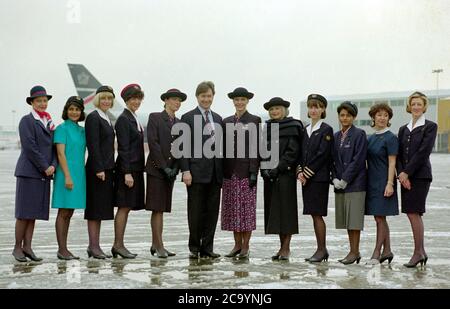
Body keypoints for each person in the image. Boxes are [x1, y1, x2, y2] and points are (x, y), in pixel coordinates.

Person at [180, 81, 223, 259]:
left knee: (212, 212)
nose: (206, 99)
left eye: (209, 96)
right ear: (197, 97)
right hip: (196, 173)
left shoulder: (219, 118)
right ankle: (194, 247)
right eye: (203, 96)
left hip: (215, 173)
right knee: (196, 212)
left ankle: (207, 247)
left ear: (213, 96)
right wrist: (185, 171)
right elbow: (182, 148)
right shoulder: (187, 117)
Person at [13, 85, 56, 262]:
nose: (42, 103)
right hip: (29, 172)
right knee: (24, 213)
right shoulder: (26, 121)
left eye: (45, 101)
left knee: (33, 213)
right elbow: (30, 147)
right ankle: (17, 247)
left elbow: (54, 147)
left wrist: (53, 165)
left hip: (43, 174)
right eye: (38, 101)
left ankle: (28, 247)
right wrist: (45, 166)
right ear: (32, 102)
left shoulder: (49, 122)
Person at [397, 91, 437, 268]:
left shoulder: (430, 126)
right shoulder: (403, 129)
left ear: (424, 106)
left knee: (414, 212)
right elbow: (398, 154)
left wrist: (407, 172)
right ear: (409, 106)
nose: (416, 107)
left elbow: (423, 152)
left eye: (419, 104)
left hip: (420, 176)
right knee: (411, 213)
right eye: (413, 104)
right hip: (404, 177)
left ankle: (418, 252)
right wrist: (401, 174)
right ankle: (420, 252)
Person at [260, 97, 303, 261]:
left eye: (277, 108)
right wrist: (264, 169)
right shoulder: (268, 127)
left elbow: (293, 152)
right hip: (270, 177)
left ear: (284, 110)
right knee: (275, 213)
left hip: (285, 175)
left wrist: (278, 168)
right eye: (271, 109)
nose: (274, 112)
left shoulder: (293, 126)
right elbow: (263, 149)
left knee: (287, 212)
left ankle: (286, 247)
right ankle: (281, 246)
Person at [146, 88, 186, 258]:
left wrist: (175, 167)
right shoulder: (155, 117)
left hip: (170, 172)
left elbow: (179, 147)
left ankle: (156, 245)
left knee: (162, 209)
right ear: (166, 101)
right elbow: (153, 144)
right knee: (157, 209)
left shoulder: (179, 122)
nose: (177, 103)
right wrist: (164, 167)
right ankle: (159, 245)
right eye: (174, 100)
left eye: (179, 101)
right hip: (157, 170)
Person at [222, 87, 261, 259]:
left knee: (246, 211)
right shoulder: (226, 121)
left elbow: (256, 147)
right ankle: (236, 245)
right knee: (232, 210)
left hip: (246, 172)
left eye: (242, 99)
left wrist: (254, 171)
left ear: (247, 101)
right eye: (237, 99)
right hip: (229, 172)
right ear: (233, 101)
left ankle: (246, 246)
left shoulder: (254, 120)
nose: (239, 102)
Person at [297, 94, 333, 263]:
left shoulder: (326, 129)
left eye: (317, 107)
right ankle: (320, 249)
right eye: (311, 107)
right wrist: (299, 172)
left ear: (323, 109)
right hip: (306, 179)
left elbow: (322, 155)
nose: (313, 110)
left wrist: (307, 173)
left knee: (318, 214)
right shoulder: (305, 129)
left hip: (318, 179)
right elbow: (300, 154)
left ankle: (322, 249)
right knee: (313, 214)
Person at [112, 84, 146, 259]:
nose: (136, 101)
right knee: (123, 207)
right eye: (133, 98)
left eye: (138, 98)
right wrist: (126, 172)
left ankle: (119, 244)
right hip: (128, 169)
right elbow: (123, 148)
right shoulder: (124, 119)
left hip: (135, 169)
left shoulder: (134, 118)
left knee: (127, 207)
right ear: (126, 100)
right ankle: (118, 245)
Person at [331, 101, 367, 265]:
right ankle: (352, 251)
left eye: (348, 115)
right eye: (342, 115)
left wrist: (345, 179)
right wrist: (335, 178)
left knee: (354, 221)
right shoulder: (336, 136)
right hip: (340, 184)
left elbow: (358, 160)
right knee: (347, 221)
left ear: (354, 117)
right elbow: (332, 159)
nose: (344, 118)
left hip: (355, 183)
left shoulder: (359, 134)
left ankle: (355, 252)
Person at [52, 96, 86, 260]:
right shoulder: (61, 128)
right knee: (63, 211)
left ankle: (65, 248)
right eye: (71, 109)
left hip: (79, 174)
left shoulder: (81, 130)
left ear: (81, 112)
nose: (74, 112)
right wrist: (67, 176)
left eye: (77, 109)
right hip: (66, 174)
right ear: (66, 111)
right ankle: (62, 249)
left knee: (69, 212)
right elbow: (60, 154)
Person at [84, 85, 116, 259]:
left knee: (101, 209)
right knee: (95, 210)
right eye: (103, 98)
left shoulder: (107, 117)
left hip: (107, 169)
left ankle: (95, 245)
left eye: (109, 99)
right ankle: (93, 246)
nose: (106, 101)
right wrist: (99, 168)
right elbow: (93, 144)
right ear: (97, 100)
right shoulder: (93, 117)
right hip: (97, 170)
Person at [365, 103, 399, 265]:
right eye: (379, 115)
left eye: (386, 115)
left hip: (385, 181)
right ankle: (387, 251)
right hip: (371, 182)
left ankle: (377, 253)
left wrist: (390, 183)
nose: (382, 118)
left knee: (380, 218)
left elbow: (393, 163)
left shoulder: (391, 138)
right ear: (373, 117)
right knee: (379, 218)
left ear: (389, 119)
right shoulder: (369, 138)